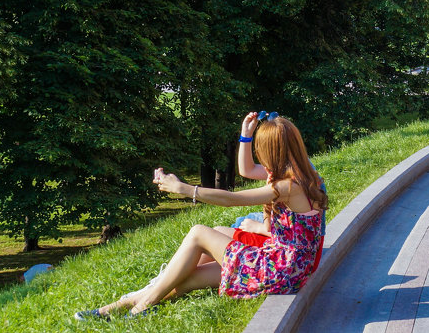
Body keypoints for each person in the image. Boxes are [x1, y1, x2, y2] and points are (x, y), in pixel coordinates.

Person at [75, 114, 327, 320]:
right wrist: (246, 136)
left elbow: (232, 199)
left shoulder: (288, 186)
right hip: (289, 267)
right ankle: (114, 308)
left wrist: (185, 189)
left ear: (272, 150)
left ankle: (141, 307)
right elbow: (247, 170)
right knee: (188, 277)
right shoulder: (303, 175)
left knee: (199, 232)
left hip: (280, 271)